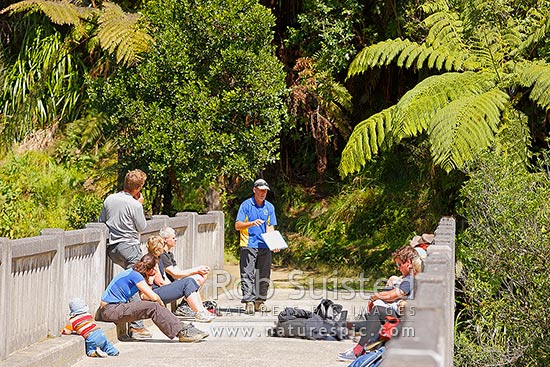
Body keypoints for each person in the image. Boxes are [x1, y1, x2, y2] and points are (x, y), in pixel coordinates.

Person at [97, 253, 209, 343]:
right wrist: (162, 306)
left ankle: (181, 329)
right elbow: (154, 297)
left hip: (112, 309)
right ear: (150, 269)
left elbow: (142, 296)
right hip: (111, 310)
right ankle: (182, 331)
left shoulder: (134, 272)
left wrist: (150, 281)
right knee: (154, 307)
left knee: (153, 307)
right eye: (155, 268)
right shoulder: (135, 275)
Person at [338, 246, 423, 362]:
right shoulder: (409, 277)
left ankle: (359, 350)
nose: (398, 269)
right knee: (376, 312)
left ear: (408, 262)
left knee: (377, 310)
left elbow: (393, 295)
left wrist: (375, 297)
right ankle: (363, 344)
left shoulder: (410, 278)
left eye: (399, 265)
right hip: (409, 316)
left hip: (407, 320)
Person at [98, 168, 150, 339]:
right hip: (130, 247)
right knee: (135, 283)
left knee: (128, 282)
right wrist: (139, 205)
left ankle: (128, 317)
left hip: (113, 247)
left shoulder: (110, 199)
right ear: (139, 188)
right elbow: (142, 226)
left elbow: (101, 221)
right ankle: (137, 326)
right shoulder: (135, 204)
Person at [146, 236, 215, 322]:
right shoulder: (152, 261)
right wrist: (177, 287)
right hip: (156, 292)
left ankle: (201, 310)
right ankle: (199, 312)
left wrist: (176, 285)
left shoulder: (158, 259)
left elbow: (164, 277)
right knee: (187, 282)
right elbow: (160, 282)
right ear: (158, 248)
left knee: (190, 281)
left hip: (161, 289)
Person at [235, 178, 278, 315]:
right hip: (248, 244)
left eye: (265, 191)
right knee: (247, 273)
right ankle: (249, 302)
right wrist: (251, 223)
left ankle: (260, 302)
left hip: (264, 245)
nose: (262, 193)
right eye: (260, 190)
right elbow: (237, 225)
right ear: (254, 190)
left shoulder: (269, 207)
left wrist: (274, 244)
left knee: (264, 273)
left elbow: (270, 227)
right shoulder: (246, 205)